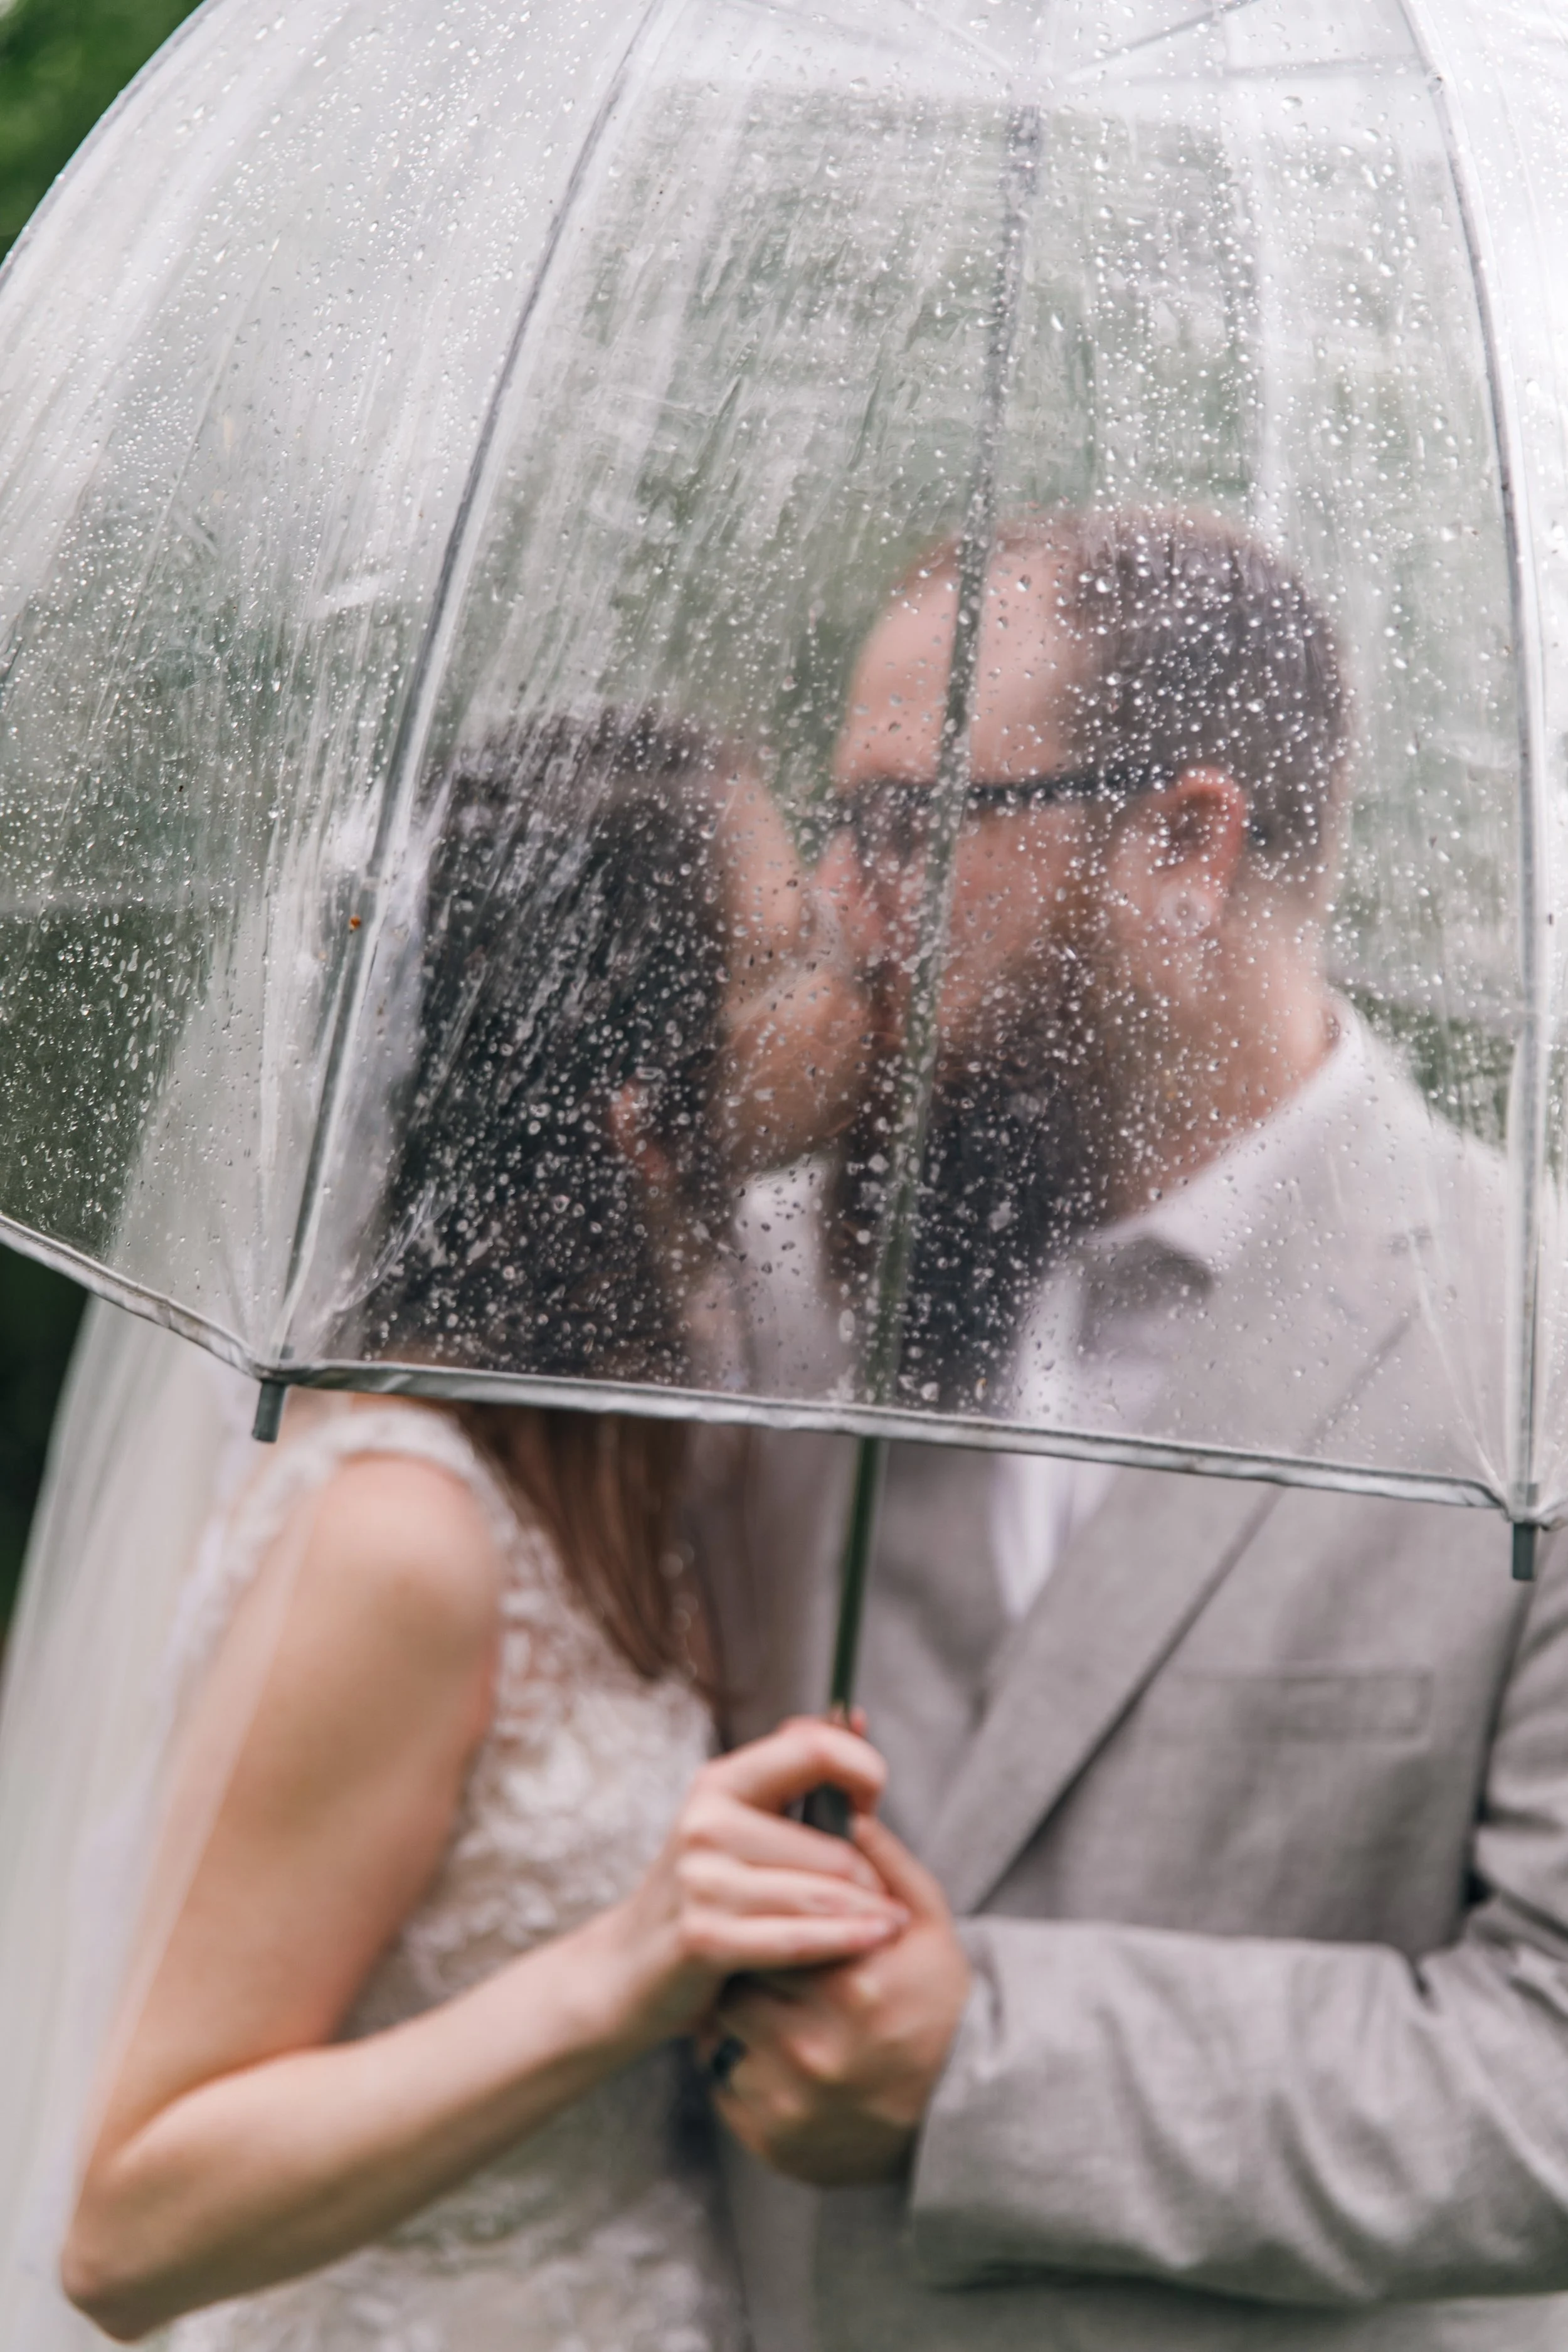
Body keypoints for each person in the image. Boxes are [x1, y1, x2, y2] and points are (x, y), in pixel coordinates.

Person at [695, 511, 1568, 2349]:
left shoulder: (1534, 1351)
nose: (843, 902)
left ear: (1182, 841)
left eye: (909, 825)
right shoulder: (762, 1287)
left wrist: (979, 2057)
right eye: (837, 819)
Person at [45, 711, 901, 2351]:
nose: (856, 958)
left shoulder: (640, 1436)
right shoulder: (398, 1539)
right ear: (640, 1118)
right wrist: (630, 1962)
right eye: (787, 947)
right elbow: (133, 2223)